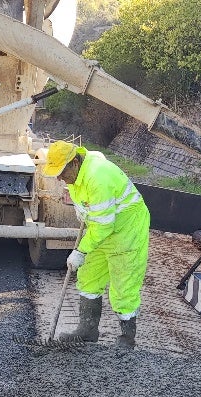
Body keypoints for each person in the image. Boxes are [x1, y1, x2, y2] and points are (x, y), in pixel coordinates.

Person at [40, 140, 151, 349]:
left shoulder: (97, 177)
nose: (59, 177)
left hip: (127, 230)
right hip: (101, 228)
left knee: (123, 286)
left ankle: (127, 340)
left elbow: (104, 225)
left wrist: (80, 250)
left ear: (74, 163)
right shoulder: (76, 176)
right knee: (88, 276)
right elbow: (95, 217)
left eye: (62, 172)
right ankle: (87, 331)